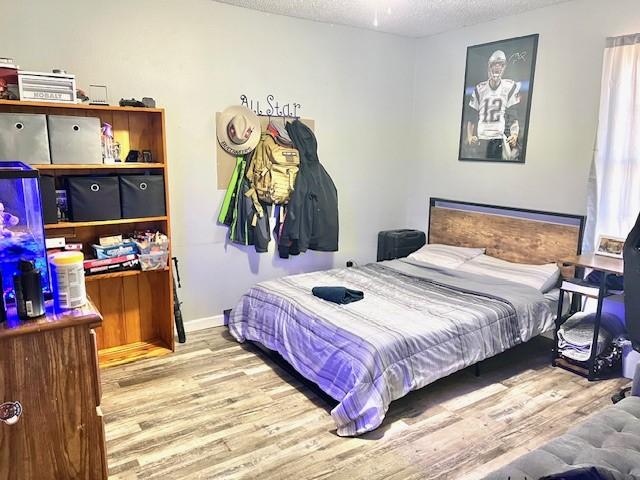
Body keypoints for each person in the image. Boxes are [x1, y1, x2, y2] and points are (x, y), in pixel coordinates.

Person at [465, 50, 521, 160]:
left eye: (500, 64)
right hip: (481, 138)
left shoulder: (509, 87)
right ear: (489, 66)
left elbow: (513, 115)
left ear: (504, 67)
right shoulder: (480, 89)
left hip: (498, 138)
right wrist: (470, 135)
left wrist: (514, 134)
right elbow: (472, 116)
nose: (497, 67)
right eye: (495, 64)